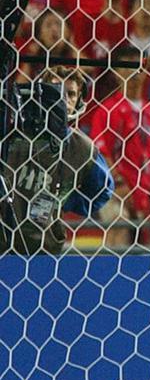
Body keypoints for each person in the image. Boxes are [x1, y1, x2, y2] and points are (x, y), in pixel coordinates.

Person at [1, 65, 114, 254]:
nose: (62, 100)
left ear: (78, 101)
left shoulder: (82, 148)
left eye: (70, 94)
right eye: (55, 91)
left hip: (46, 249)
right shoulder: (10, 134)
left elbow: (103, 191)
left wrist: (62, 200)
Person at [86, 46, 150, 247]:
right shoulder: (107, 111)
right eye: (127, 67)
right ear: (116, 73)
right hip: (114, 193)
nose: (134, 73)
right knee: (119, 225)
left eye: (138, 68)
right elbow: (100, 153)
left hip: (143, 194)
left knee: (141, 248)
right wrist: (119, 186)